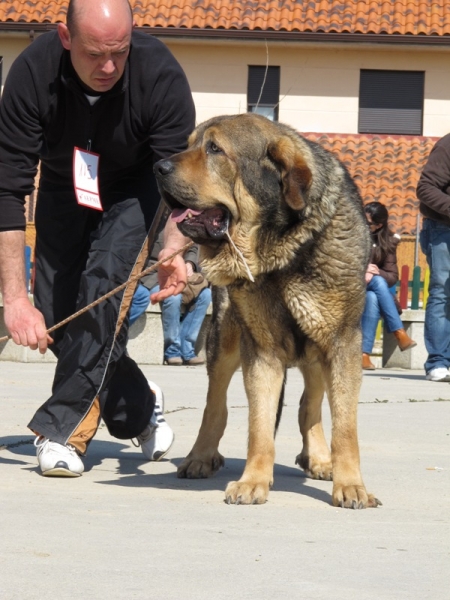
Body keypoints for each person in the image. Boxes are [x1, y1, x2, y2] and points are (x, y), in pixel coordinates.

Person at [0, 0, 196, 476]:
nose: (108, 67)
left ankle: (63, 431)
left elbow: (180, 182)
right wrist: (14, 298)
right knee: (62, 311)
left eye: (120, 52)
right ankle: (140, 405)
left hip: (137, 188)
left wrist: (173, 244)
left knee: (102, 288)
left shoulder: (160, 76)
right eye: (94, 54)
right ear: (65, 39)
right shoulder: (32, 74)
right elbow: (8, 189)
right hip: (66, 182)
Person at [129, 229, 211, 365]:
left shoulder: (185, 220)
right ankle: (172, 351)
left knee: (206, 295)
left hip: (182, 273)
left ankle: (187, 350)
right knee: (173, 297)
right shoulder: (153, 222)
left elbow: (193, 246)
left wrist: (189, 263)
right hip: (154, 274)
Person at [361, 202, 417, 370]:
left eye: (368, 223)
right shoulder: (352, 235)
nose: (363, 224)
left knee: (372, 296)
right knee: (376, 284)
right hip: (351, 286)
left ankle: (364, 355)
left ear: (378, 226)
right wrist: (362, 271)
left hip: (372, 291)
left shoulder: (388, 242)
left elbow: (392, 277)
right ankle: (399, 333)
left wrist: (375, 271)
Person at [417, 134, 450, 382]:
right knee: (442, 292)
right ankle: (438, 362)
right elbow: (425, 188)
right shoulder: (448, 145)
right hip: (443, 229)